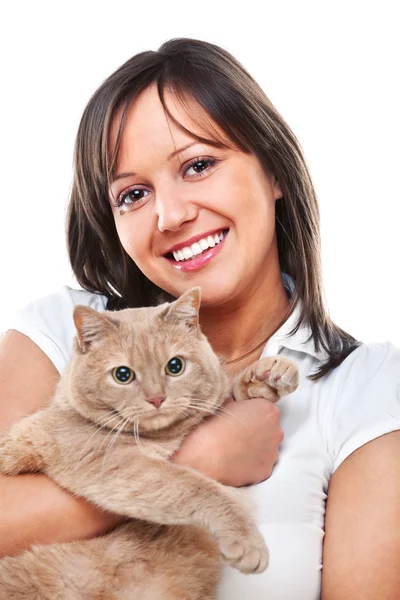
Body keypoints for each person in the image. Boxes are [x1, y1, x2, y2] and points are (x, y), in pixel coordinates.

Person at [0, 37, 399, 599]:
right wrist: (200, 462)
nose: (171, 214)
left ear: (276, 171)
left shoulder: (364, 387)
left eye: (198, 165)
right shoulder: (61, 332)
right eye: (133, 194)